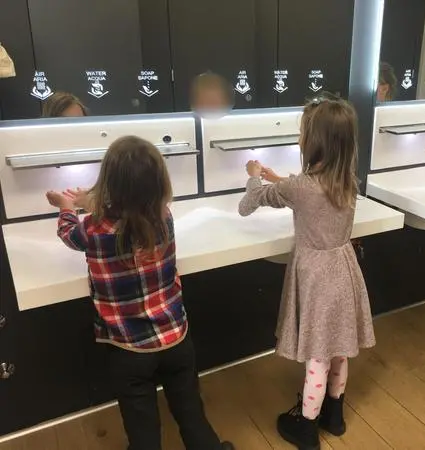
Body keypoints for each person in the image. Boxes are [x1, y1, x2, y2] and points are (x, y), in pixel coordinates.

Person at [45, 136, 234, 450]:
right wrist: (89, 202)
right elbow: (130, 209)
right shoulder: (164, 217)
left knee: (142, 427)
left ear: (108, 183)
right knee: (191, 412)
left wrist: (67, 207)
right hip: (175, 338)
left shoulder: (92, 228)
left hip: (128, 349)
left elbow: (69, 234)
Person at [238, 96, 376, 449]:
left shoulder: (299, 187)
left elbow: (248, 205)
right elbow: (309, 190)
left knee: (317, 356)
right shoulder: (347, 179)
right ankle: (335, 415)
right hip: (344, 271)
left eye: (303, 133)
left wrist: (254, 177)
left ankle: (307, 428)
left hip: (315, 279)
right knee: (338, 348)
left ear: (313, 141)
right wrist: (277, 178)